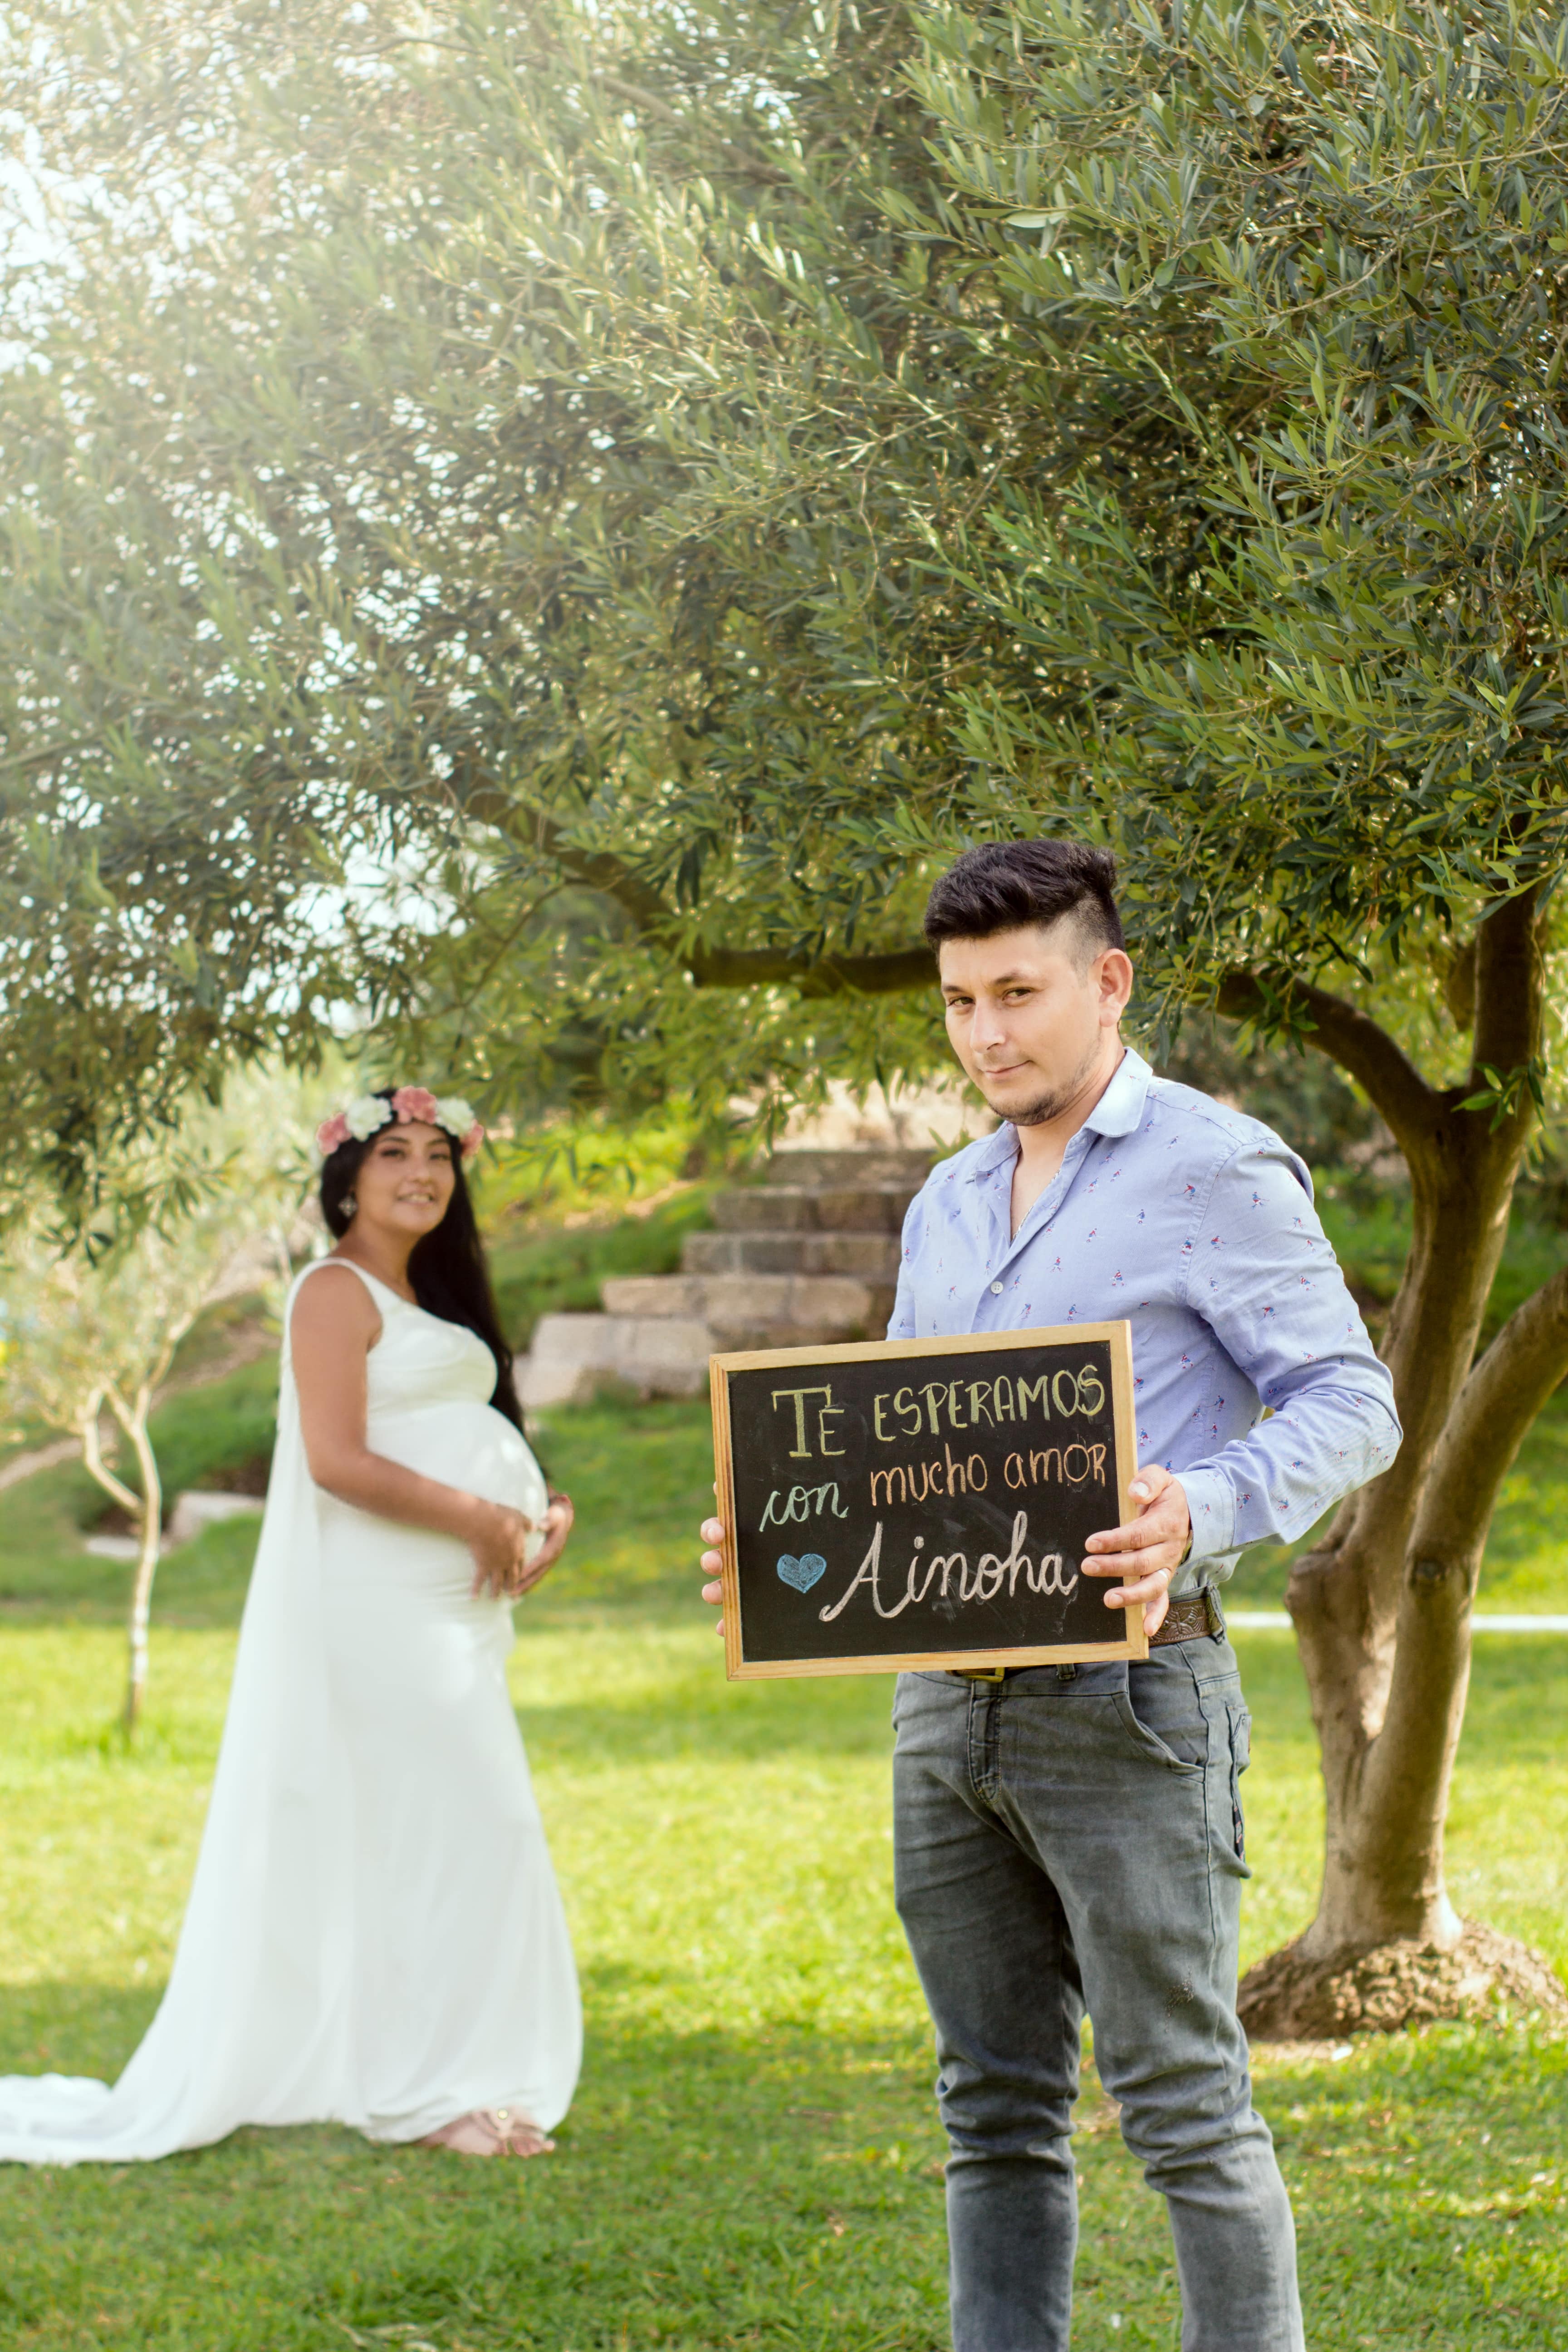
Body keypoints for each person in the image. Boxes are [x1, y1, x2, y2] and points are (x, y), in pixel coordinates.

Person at [700, 841, 1401, 2352]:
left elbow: (1355, 1403)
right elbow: (905, 1449)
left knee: (1182, 2104)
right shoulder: (945, 1199)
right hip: (942, 1712)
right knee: (991, 2106)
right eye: (959, 1002)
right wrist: (773, 1550)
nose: (984, 1033)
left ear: (1108, 980)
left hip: (1133, 1701)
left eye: (1016, 993)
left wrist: (1198, 1508)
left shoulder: (1215, 1165)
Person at [0, 1083, 581, 2166]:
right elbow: (336, 1461)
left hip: (452, 1611)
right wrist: (477, 1517)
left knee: (456, 1832)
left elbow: (471, 1428)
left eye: (439, 1155)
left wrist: (540, 1516)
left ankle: (441, 2070)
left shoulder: (433, 1298)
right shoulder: (331, 1290)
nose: (423, 1172)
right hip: (381, 1608)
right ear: (347, 1178)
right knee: (456, 1832)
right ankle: (430, 2093)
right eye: (395, 1152)